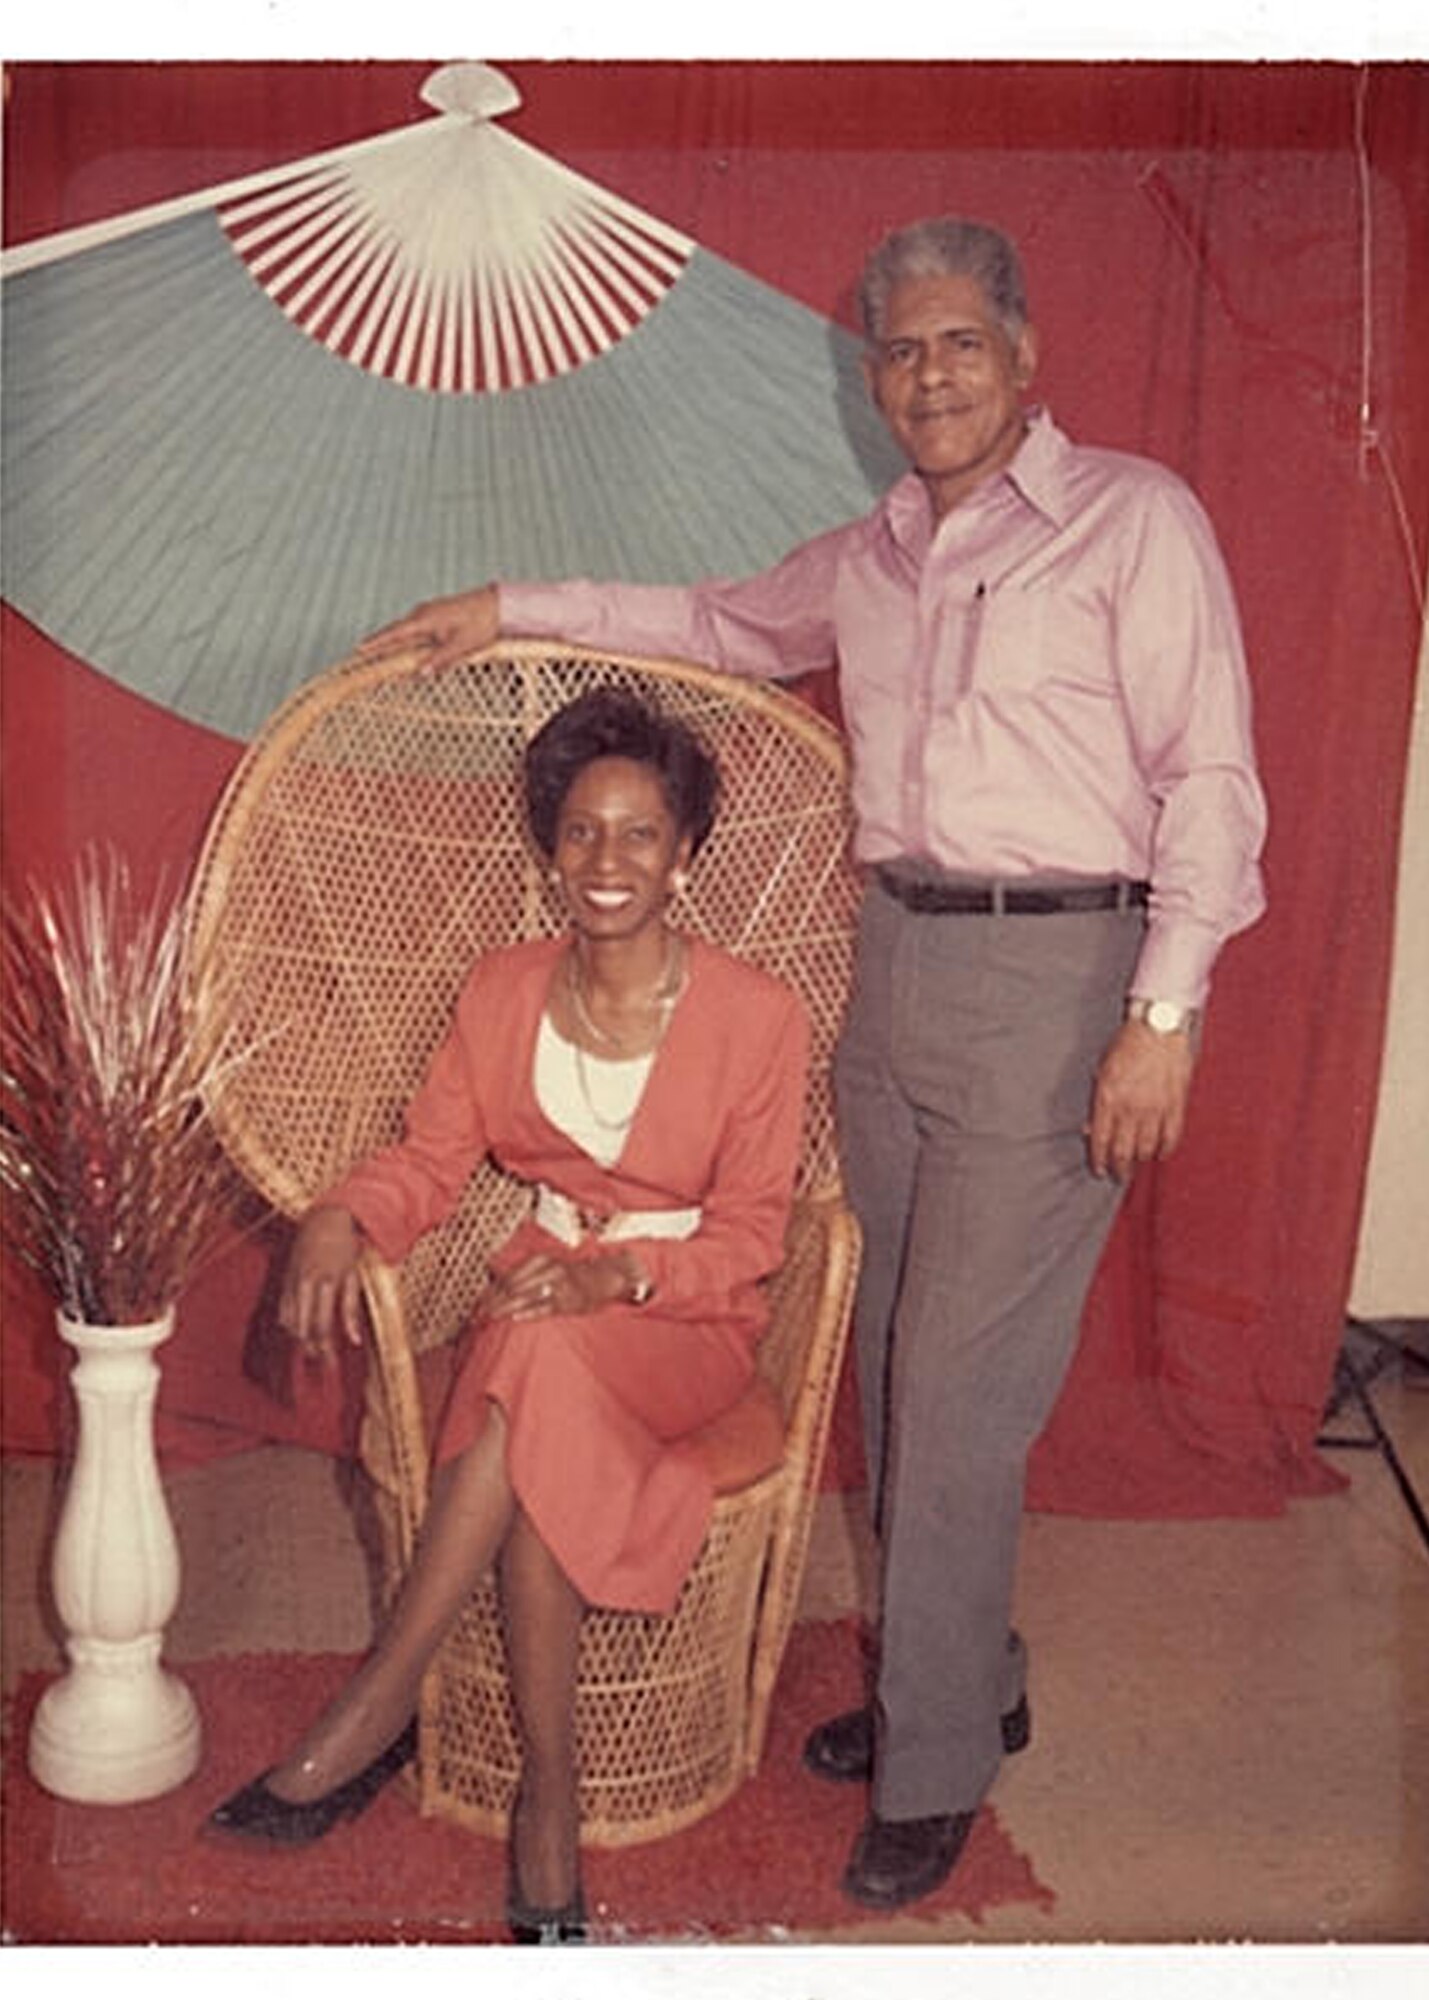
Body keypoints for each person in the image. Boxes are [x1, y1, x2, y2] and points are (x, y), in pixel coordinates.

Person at [358, 216, 1268, 1912]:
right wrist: (502, 605)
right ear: (873, 380)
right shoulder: (868, 555)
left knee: (954, 1390)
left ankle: (931, 1762)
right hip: (897, 964)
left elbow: (1207, 778)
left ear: (1021, 357)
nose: (928, 375)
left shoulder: (1134, 524)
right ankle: (959, 1667)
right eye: (899, 352)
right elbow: (706, 621)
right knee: (893, 1371)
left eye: (957, 345)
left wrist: (1159, 1011)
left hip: (1063, 975)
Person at [206, 688, 811, 1942]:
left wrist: (621, 1276)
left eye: (639, 833)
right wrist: (340, 1215)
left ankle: (379, 1701)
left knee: (530, 1346)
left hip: (683, 1319)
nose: (607, 862)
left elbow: (755, 1234)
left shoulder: (756, 1017)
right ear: (547, 846)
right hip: (544, 1304)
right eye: (580, 831)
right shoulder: (499, 989)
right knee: (537, 1374)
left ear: (684, 851)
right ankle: (552, 1791)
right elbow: (430, 1163)